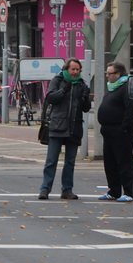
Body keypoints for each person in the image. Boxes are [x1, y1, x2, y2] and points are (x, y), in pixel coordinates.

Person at [38, 58, 91, 200]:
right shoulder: (57, 80)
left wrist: (86, 98)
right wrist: (64, 90)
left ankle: (67, 190)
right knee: (51, 160)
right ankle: (45, 189)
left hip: (74, 127)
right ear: (66, 69)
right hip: (57, 125)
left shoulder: (81, 84)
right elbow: (50, 98)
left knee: (70, 162)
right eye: (72, 69)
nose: (75, 72)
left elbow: (86, 108)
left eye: (77, 70)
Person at [97, 62, 133, 202]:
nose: (107, 76)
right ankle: (114, 190)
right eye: (107, 73)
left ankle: (129, 191)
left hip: (120, 130)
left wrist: (124, 127)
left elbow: (129, 109)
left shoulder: (125, 87)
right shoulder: (112, 87)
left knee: (124, 161)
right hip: (108, 130)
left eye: (110, 73)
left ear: (118, 74)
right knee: (110, 162)